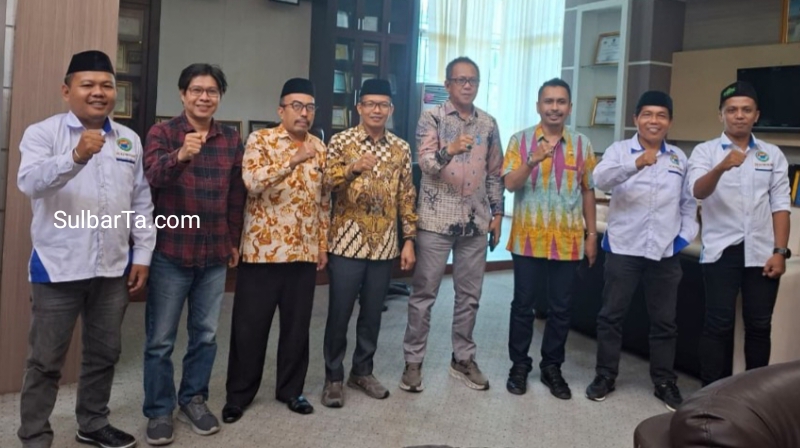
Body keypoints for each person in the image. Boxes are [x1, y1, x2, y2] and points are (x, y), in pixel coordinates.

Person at [16, 50, 155, 448]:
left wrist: (142, 255)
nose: (99, 92)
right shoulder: (43, 134)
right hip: (57, 268)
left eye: (107, 85)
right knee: (45, 361)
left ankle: (92, 423)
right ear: (67, 90)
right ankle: (34, 435)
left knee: (104, 353)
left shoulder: (128, 139)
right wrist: (75, 156)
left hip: (112, 269)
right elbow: (30, 183)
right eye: (88, 84)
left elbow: (141, 201)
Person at [141, 63, 246, 445]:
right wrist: (181, 155)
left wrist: (232, 239)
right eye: (197, 90)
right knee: (160, 340)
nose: (204, 97)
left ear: (220, 96)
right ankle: (158, 410)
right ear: (183, 94)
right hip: (171, 251)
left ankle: (193, 399)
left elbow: (236, 195)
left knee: (205, 335)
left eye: (212, 91)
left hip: (214, 252)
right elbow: (152, 178)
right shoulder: (162, 133)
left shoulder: (231, 138)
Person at [222, 78, 330, 421]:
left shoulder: (319, 146)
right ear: (281, 110)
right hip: (263, 253)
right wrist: (292, 161)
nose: (304, 113)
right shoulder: (261, 139)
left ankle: (291, 390)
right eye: (296, 106)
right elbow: (252, 183)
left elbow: (323, 200)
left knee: (297, 329)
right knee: (249, 328)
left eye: (309, 107)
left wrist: (322, 244)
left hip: (302, 253)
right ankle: (239, 395)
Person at [587, 91, 698, 411]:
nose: (654, 121)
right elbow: (600, 179)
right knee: (611, 316)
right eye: (647, 114)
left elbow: (688, 204)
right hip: (624, 248)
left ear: (669, 122)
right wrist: (636, 163)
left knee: (665, 322)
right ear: (635, 119)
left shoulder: (679, 158)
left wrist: (682, 239)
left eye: (661, 115)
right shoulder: (620, 150)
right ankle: (605, 375)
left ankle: (664, 381)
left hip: (664, 252)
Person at [401, 56, 504, 392]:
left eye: (472, 80)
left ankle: (463, 359)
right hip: (436, 221)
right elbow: (426, 163)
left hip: (476, 222)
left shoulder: (488, 123)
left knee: (469, 296)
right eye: (460, 80)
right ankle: (413, 362)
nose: (467, 85)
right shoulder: (431, 117)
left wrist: (498, 215)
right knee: (424, 294)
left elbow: (494, 173)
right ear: (447, 85)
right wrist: (451, 149)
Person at [321, 78, 417, 408]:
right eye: (371, 104)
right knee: (340, 313)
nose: (377, 110)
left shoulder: (401, 147)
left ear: (391, 109)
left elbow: (407, 195)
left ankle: (362, 371)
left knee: (373, 313)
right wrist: (352, 169)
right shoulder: (341, 141)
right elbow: (326, 183)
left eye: (383, 105)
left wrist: (409, 240)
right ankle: (333, 377)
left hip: (384, 245)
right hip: (346, 244)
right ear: (359, 107)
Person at [688, 81, 791, 387]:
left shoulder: (772, 154)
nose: (739, 115)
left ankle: (752, 395)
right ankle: (710, 395)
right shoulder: (705, 151)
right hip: (722, 251)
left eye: (746, 110)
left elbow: (780, 205)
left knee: (759, 326)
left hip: (762, 252)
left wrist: (780, 251)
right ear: (721, 115)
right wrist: (720, 168)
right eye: (732, 110)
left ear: (756, 115)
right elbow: (698, 191)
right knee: (717, 325)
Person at [502, 78, 597, 399]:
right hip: (528, 237)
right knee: (523, 305)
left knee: (561, 308)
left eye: (561, 102)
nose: (554, 108)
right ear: (538, 106)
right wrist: (532, 160)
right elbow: (510, 184)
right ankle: (519, 365)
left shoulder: (582, 144)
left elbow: (588, 191)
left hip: (568, 239)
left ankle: (552, 367)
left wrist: (591, 235)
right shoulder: (520, 141)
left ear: (569, 107)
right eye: (548, 101)